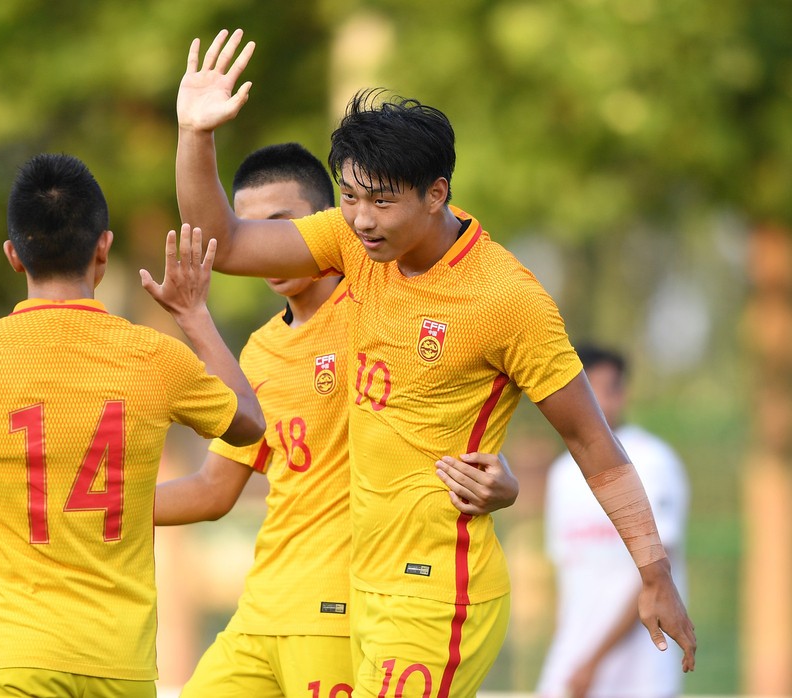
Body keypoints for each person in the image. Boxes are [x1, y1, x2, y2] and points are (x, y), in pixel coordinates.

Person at [172, 28, 696, 697]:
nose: (360, 219)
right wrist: (196, 133)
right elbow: (227, 240)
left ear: (437, 193)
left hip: (437, 596)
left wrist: (654, 575)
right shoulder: (350, 239)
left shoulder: (505, 299)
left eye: (381, 201)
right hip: (362, 590)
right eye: (350, 195)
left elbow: (593, 441)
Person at [155, 142, 520, 698]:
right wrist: (99, 507)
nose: (270, 247)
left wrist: (502, 477)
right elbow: (212, 490)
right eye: (253, 230)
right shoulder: (258, 352)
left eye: (282, 226)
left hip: (340, 612)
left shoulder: (377, 311)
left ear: (328, 225)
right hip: (261, 610)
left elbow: (454, 394)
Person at [0, 153, 264, 697]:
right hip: (119, 665)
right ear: (104, 247)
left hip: (19, 660)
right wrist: (194, 316)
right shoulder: (153, 357)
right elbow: (248, 425)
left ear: (13, 255)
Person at [538, 345, 689, 698]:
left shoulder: (653, 462)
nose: (590, 403)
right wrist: (574, 657)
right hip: (573, 673)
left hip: (638, 677)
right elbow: (568, 578)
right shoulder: (561, 474)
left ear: (622, 393)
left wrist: (595, 661)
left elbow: (658, 577)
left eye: (602, 390)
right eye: (583, 390)